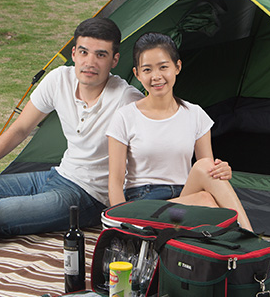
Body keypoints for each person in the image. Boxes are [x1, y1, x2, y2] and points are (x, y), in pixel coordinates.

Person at [0, 17, 143, 236]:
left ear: (114, 60)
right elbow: (20, 129)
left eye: (101, 55)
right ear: (74, 53)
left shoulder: (127, 99)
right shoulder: (59, 79)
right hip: (56, 174)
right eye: (84, 52)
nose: (90, 62)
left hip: (88, 196)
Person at [107, 32, 254, 230]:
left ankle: (250, 246)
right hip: (144, 204)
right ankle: (253, 246)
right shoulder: (124, 117)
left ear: (177, 67)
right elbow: (115, 182)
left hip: (185, 198)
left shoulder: (195, 114)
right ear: (137, 73)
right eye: (147, 69)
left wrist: (222, 170)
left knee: (206, 173)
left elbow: (207, 171)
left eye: (163, 67)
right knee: (208, 204)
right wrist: (123, 224)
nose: (156, 76)